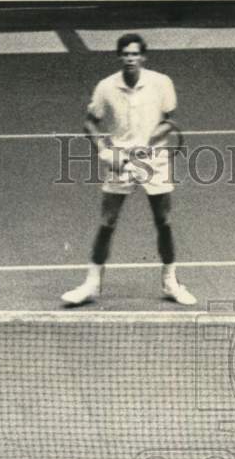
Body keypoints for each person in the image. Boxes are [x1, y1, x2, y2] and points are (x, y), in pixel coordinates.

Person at [61, 33, 196, 307]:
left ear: (143, 57)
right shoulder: (106, 87)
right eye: (126, 54)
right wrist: (104, 152)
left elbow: (169, 122)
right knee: (107, 222)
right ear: (120, 56)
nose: (131, 59)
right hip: (119, 160)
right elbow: (90, 123)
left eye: (135, 54)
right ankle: (91, 284)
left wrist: (147, 150)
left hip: (154, 161)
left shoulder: (161, 83)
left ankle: (171, 282)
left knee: (164, 221)